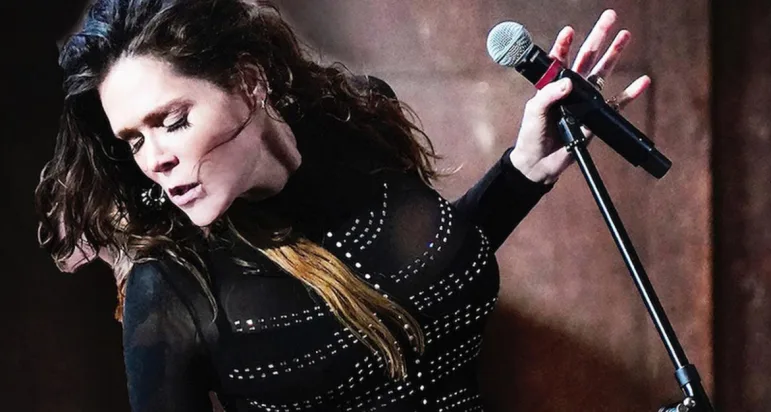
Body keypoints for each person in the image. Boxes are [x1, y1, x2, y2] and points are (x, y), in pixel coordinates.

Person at [34, 0, 650, 410]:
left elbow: (424, 278)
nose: (155, 159)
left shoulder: (357, 129)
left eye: (171, 121)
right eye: (134, 139)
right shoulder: (171, 284)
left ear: (248, 82)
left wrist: (524, 168)